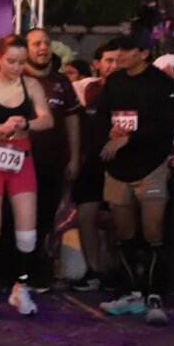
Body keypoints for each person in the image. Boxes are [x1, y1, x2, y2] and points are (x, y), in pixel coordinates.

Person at [0, 34, 54, 321]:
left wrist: (26, 122)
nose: (17, 67)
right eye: (11, 62)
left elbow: (47, 119)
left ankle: (21, 287)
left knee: (27, 235)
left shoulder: (31, 86)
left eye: (21, 62)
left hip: (21, 161)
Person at [95, 33, 174, 326]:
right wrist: (109, 133)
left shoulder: (162, 83)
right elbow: (101, 116)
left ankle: (155, 294)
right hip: (118, 168)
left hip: (151, 166)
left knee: (153, 231)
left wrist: (130, 138)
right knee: (124, 234)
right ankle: (132, 293)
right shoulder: (114, 82)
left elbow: (167, 125)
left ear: (143, 53)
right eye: (117, 49)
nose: (120, 55)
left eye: (127, 50)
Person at [23, 28, 82, 292]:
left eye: (46, 43)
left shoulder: (62, 82)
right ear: (26, 49)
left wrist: (74, 158)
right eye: (36, 43)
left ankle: (39, 273)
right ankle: (15, 272)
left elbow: (72, 121)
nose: (43, 47)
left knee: (45, 219)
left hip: (53, 163)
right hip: (19, 163)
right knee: (22, 219)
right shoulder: (16, 79)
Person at [68, 39, 122, 292]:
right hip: (90, 165)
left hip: (122, 165)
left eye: (118, 60)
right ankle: (94, 271)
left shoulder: (132, 89)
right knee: (86, 215)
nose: (114, 65)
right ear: (97, 64)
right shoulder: (84, 89)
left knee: (118, 219)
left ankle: (118, 269)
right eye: (109, 60)